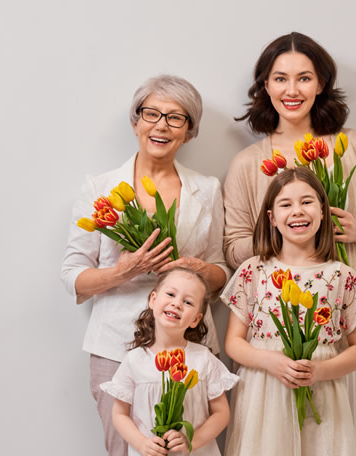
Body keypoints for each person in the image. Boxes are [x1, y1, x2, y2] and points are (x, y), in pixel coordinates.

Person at [223, 32, 356, 454]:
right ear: (265, 85)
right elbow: (232, 246)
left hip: (336, 316)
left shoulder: (355, 147)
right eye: (280, 78)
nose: (292, 90)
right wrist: (280, 249)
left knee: (334, 429)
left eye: (304, 78)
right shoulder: (248, 163)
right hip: (272, 323)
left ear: (321, 84)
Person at [60, 75, 231, 456]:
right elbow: (72, 276)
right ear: (135, 121)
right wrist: (126, 270)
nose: (161, 125)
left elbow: (221, 270)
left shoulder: (207, 188)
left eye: (176, 118)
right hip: (116, 347)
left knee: (188, 447)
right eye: (151, 114)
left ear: (189, 132)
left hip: (190, 347)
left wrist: (197, 271)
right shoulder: (99, 188)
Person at [221, 168, 356, 455]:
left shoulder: (342, 276)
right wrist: (269, 361)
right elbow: (233, 343)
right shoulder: (254, 271)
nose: (297, 212)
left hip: (324, 394)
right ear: (272, 218)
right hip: (264, 394)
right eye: (286, 204)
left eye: (307, 202)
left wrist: (320, 370)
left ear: (323, 211)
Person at [101, 267, 238, 456]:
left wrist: (192, 441)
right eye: (171, 294)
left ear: (196, 319)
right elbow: (119, 414)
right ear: (153, 300)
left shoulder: (203, 358)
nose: (177, 304)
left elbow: (222, 413)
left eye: (188, 302)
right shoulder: (134, 360)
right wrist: (141, 444)